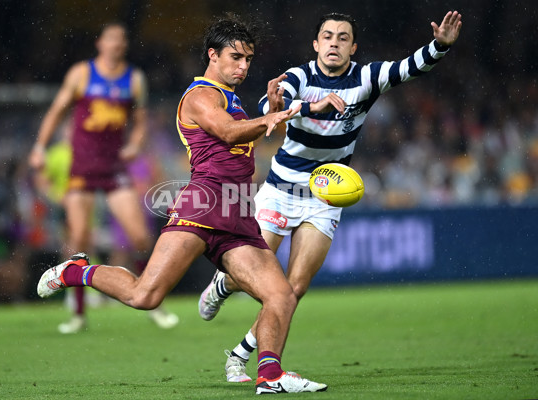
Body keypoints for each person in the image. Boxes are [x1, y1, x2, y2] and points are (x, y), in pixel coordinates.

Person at [37, 15, 328, 395]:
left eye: (248, 60)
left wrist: (274, 111)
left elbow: (250, 137)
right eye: (235, 58)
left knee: (282, 295)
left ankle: (270, 376)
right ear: (213, 54)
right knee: (146, 296)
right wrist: (275, 114)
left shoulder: (233, 99)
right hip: (203, 204)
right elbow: (226, 132)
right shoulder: (201, 95)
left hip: (237, 209)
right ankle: (77, 272)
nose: (243, 67)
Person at [198, 11, 463, 382]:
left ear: (352, 48)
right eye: (327, 36)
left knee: (292, 290)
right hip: (281, 190)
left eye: (342, 37)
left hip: (324, 197)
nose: (334, 43)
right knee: (254, 275)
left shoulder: (366, 79)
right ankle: (224, 283)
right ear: (316, 45)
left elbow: (409, 68)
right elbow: (267, 109)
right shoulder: (299, 76)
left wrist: (440, 46)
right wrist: (302, 106)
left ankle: (239, 357)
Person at [29, 22, 177, 333]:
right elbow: (57, 110)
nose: (116, 44)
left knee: (139, 238)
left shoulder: (134, 79)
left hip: (113, 169)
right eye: (111, 39)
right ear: (100, 43)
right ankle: (79, 314)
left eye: (121, 40)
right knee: (79, 240)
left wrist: (136, 144)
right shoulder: (82, 74)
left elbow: (139, 121)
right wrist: (40, 147)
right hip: (81, 169)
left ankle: (153, 301)